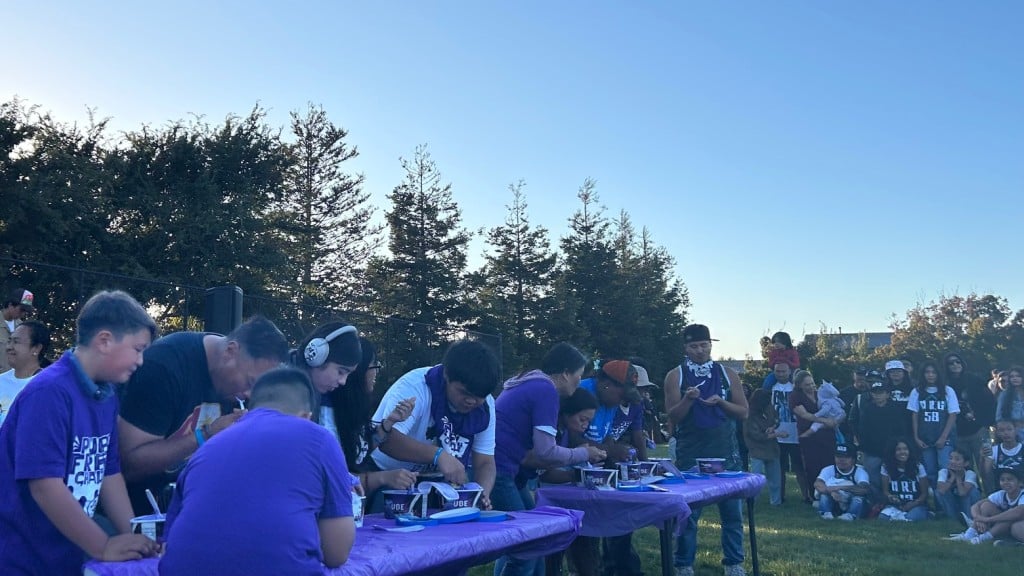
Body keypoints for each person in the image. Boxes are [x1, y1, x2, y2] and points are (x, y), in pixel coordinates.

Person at [0, 290, 160, 575]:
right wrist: (103, 546)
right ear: (105, 341)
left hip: (67, 558)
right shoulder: (49, 392)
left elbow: (109, 472)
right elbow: (44, 485)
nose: (141, 361)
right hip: (20, 560)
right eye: (138, 349)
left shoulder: (106, 395)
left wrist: (136, 539)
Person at [159, 367, 355, 575]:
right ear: (306, 417)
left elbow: (168, 545)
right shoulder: (319, 439)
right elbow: (336, 554)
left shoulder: (207, 447)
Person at [117, 316, 290, 513]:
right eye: (250, 383)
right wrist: (205, 435)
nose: (250, 395)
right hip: (135, 512)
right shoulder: (165, 366)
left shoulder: (240, 383)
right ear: (230, 352)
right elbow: (129, 464)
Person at [492, 342, 604, 576]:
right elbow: (545, 451)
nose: (580, 380)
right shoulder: (545, 389)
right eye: (579, 374)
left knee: (536, 541)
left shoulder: (529, 383)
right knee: (526, 548)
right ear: (565, 373)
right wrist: (584, 453)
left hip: (506, 470)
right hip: (499, 470)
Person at [370, 339, 499, 508]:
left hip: (435, 484)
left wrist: (481, 494)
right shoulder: (416, 387)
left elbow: (485, 462)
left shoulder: (486, 406)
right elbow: (387, 440)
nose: (471, 401)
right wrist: (438, 455)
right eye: (464, 392)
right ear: (446, 375)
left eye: (478, 397)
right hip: (385, 477)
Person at [664, 324, 748, 576]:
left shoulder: (727, 374)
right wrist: (688, 399)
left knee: (732, 515)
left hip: (726, 452)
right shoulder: (675, 376)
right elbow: (673, 417)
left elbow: (743, 412)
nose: (700, 351)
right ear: (685, 348)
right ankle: (683, 564)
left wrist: (721, 402)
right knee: (688, 514)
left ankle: (734, 563)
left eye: (704, 345)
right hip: (691, 453)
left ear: (711, 345)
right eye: (694, 346)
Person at [579, 359, 647, 576]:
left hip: (593, 473)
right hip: (565, 475)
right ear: (606, 384)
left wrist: (615, 450)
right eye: (622, 395)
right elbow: (571, 438)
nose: (623, 401)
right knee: (584, 540)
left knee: (618, 518)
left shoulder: (609, 401)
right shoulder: (582, 393)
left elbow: (606, 435)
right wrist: (610, 450)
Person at [327, 336, 417, 495]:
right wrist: (383, 478)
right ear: (358, 371)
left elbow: (361, 449)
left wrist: (390, 421)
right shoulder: (329, 416)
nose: (376, 373)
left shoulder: (352, 409)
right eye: (373, 366)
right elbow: (334, 481)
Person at [539, 388, 601, 576]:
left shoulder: (565, 432)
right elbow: (545, 473)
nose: (585, 425)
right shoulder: (551, 431)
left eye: (589, 421)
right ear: (567, 413)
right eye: (582, 419)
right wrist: (577, 475)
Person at [906, 360, 959, 488]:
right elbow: (914, 415)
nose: (930, 375)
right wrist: (916, 437)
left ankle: (948, 496)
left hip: (944, 438)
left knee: (946, 469)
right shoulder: (916, 392)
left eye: (933, 372)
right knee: (930, 471)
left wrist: (943, 437)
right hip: (925, 438)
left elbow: (952, 415)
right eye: (927, 372)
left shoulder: (947, 391)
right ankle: (935, 498)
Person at [849, 379, 907, 496]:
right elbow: (862, 430)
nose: (877, 395)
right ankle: (876, 502)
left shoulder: (896, 409)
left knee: (893, 478)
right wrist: (862, 447)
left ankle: (893, 499)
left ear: (887, 394)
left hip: (892, 451)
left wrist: (896, 446)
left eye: (881, 392)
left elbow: (901, 430)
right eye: (874, 392)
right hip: (872, 451)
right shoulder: (867, 409)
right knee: (873, 479)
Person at [944, 352, 995, 483]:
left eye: (957, 361)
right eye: (951, 363)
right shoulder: (944, 384)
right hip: (957, 433)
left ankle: (991, 494)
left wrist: (985, 422)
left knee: (986, 468)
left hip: (978, 430)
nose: (955, 365)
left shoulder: (974, 379)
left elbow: (989, 400)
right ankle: (972, 494)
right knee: (965, 471)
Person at [790, 370, 837, 505]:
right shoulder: (795, 396)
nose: (811, 387)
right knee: (812, 466)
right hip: (808, 435)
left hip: (826, 435)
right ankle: (814, 495)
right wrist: (824, 420)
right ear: (799, 385)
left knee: (829, 464)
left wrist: (831, 421)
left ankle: (831, 493)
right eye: (807, 385)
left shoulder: (820, 393)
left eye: (812, 383)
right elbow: (804, 415)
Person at [947, 466, 1024, 545]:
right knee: (986, 506)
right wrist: (979, 518)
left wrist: (987, 519)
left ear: (1020, 482)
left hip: (1019, 526)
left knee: (1010, 517)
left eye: (1010, 479)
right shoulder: (1001, 494)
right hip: (1005, 527)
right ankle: (969, 534)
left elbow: (1018, 513)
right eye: (1002, 480)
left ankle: (984, 538)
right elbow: (975, 506)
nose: (1005, 482)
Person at [768, 361, 806, 504]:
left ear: (790, 371)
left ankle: (806, 496)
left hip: (796, 434)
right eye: (778, 371)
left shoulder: (796, 388)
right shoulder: (770, 388)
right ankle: (779, 497)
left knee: (800, 468)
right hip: (778, 435)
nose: (781, 374)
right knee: (779, 468)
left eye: (784, 371)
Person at [0, 320, 51, 426]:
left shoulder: (48, 387)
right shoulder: (1, 381)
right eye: (9, 341)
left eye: (16, 342)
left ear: (36, 348)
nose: (9, 347)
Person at [743, 389, 786, 506]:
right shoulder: (749, 415)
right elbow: (756, 436)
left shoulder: (769, 407)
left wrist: (773, 427)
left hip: (771, 448)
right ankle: (752, 502)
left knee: (775, 478)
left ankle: (776, 502)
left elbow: (777, 419)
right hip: (756, 449)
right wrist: (777, 434)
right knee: (756, 478)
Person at [814, 443, 870, 521]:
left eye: (846, 457)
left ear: (853, 459)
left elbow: (864, 490)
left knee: (858, 499)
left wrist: (840, 487)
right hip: (835, 500)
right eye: (838, 456)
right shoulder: (828, 469)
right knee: (824, 496)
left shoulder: (860, 472)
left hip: (850, 501)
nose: (841, 460)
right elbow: (818, 484)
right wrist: (831, 492)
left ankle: (850, 515)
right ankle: (825, 513)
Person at [879, 437, 930, 522]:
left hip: (915, 504)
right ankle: (900, 517)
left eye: (905, 449)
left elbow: (924, 494)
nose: (902, 452)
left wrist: (914, 503)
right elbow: (885, 491)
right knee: (882, 518)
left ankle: (904, 517)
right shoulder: (886, 467)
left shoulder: (918, 467)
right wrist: (891, 497)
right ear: (893, 452)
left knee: (910, 518)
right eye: (898, 449)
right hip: (895, 506)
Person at [936, 447, 981, 523]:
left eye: (957, 459)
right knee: (939, 491)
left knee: (973, 491)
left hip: (965, 504)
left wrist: (958, 477)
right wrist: (952, 477)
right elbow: (941, 491)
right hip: (952, 504)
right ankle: (953, 519)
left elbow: (962, 493)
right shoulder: (943, 472)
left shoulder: (970, 473)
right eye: (950, 458)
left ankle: (969, 518)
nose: (952, 461)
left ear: (966, 463)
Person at [980, 420, 1023, 491]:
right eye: (1002, 430)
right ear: (997, 433)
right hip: (1002, 491)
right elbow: (985, 474)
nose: (1006, 433)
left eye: (1009, 429)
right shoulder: (994, 450)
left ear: (1015, 430)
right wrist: (982, 458)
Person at [0, 288, 35, 373]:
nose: (23, 314)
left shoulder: (22, 328)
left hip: (13, 377)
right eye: (21, 310)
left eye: (25, 311)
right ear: (10, 305)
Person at [995, 366, 1024, 443]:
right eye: (1012, 377)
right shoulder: (1005, 395)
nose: (1015, 378)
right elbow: (999, 417)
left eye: (1018, 376)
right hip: (1015, 433)